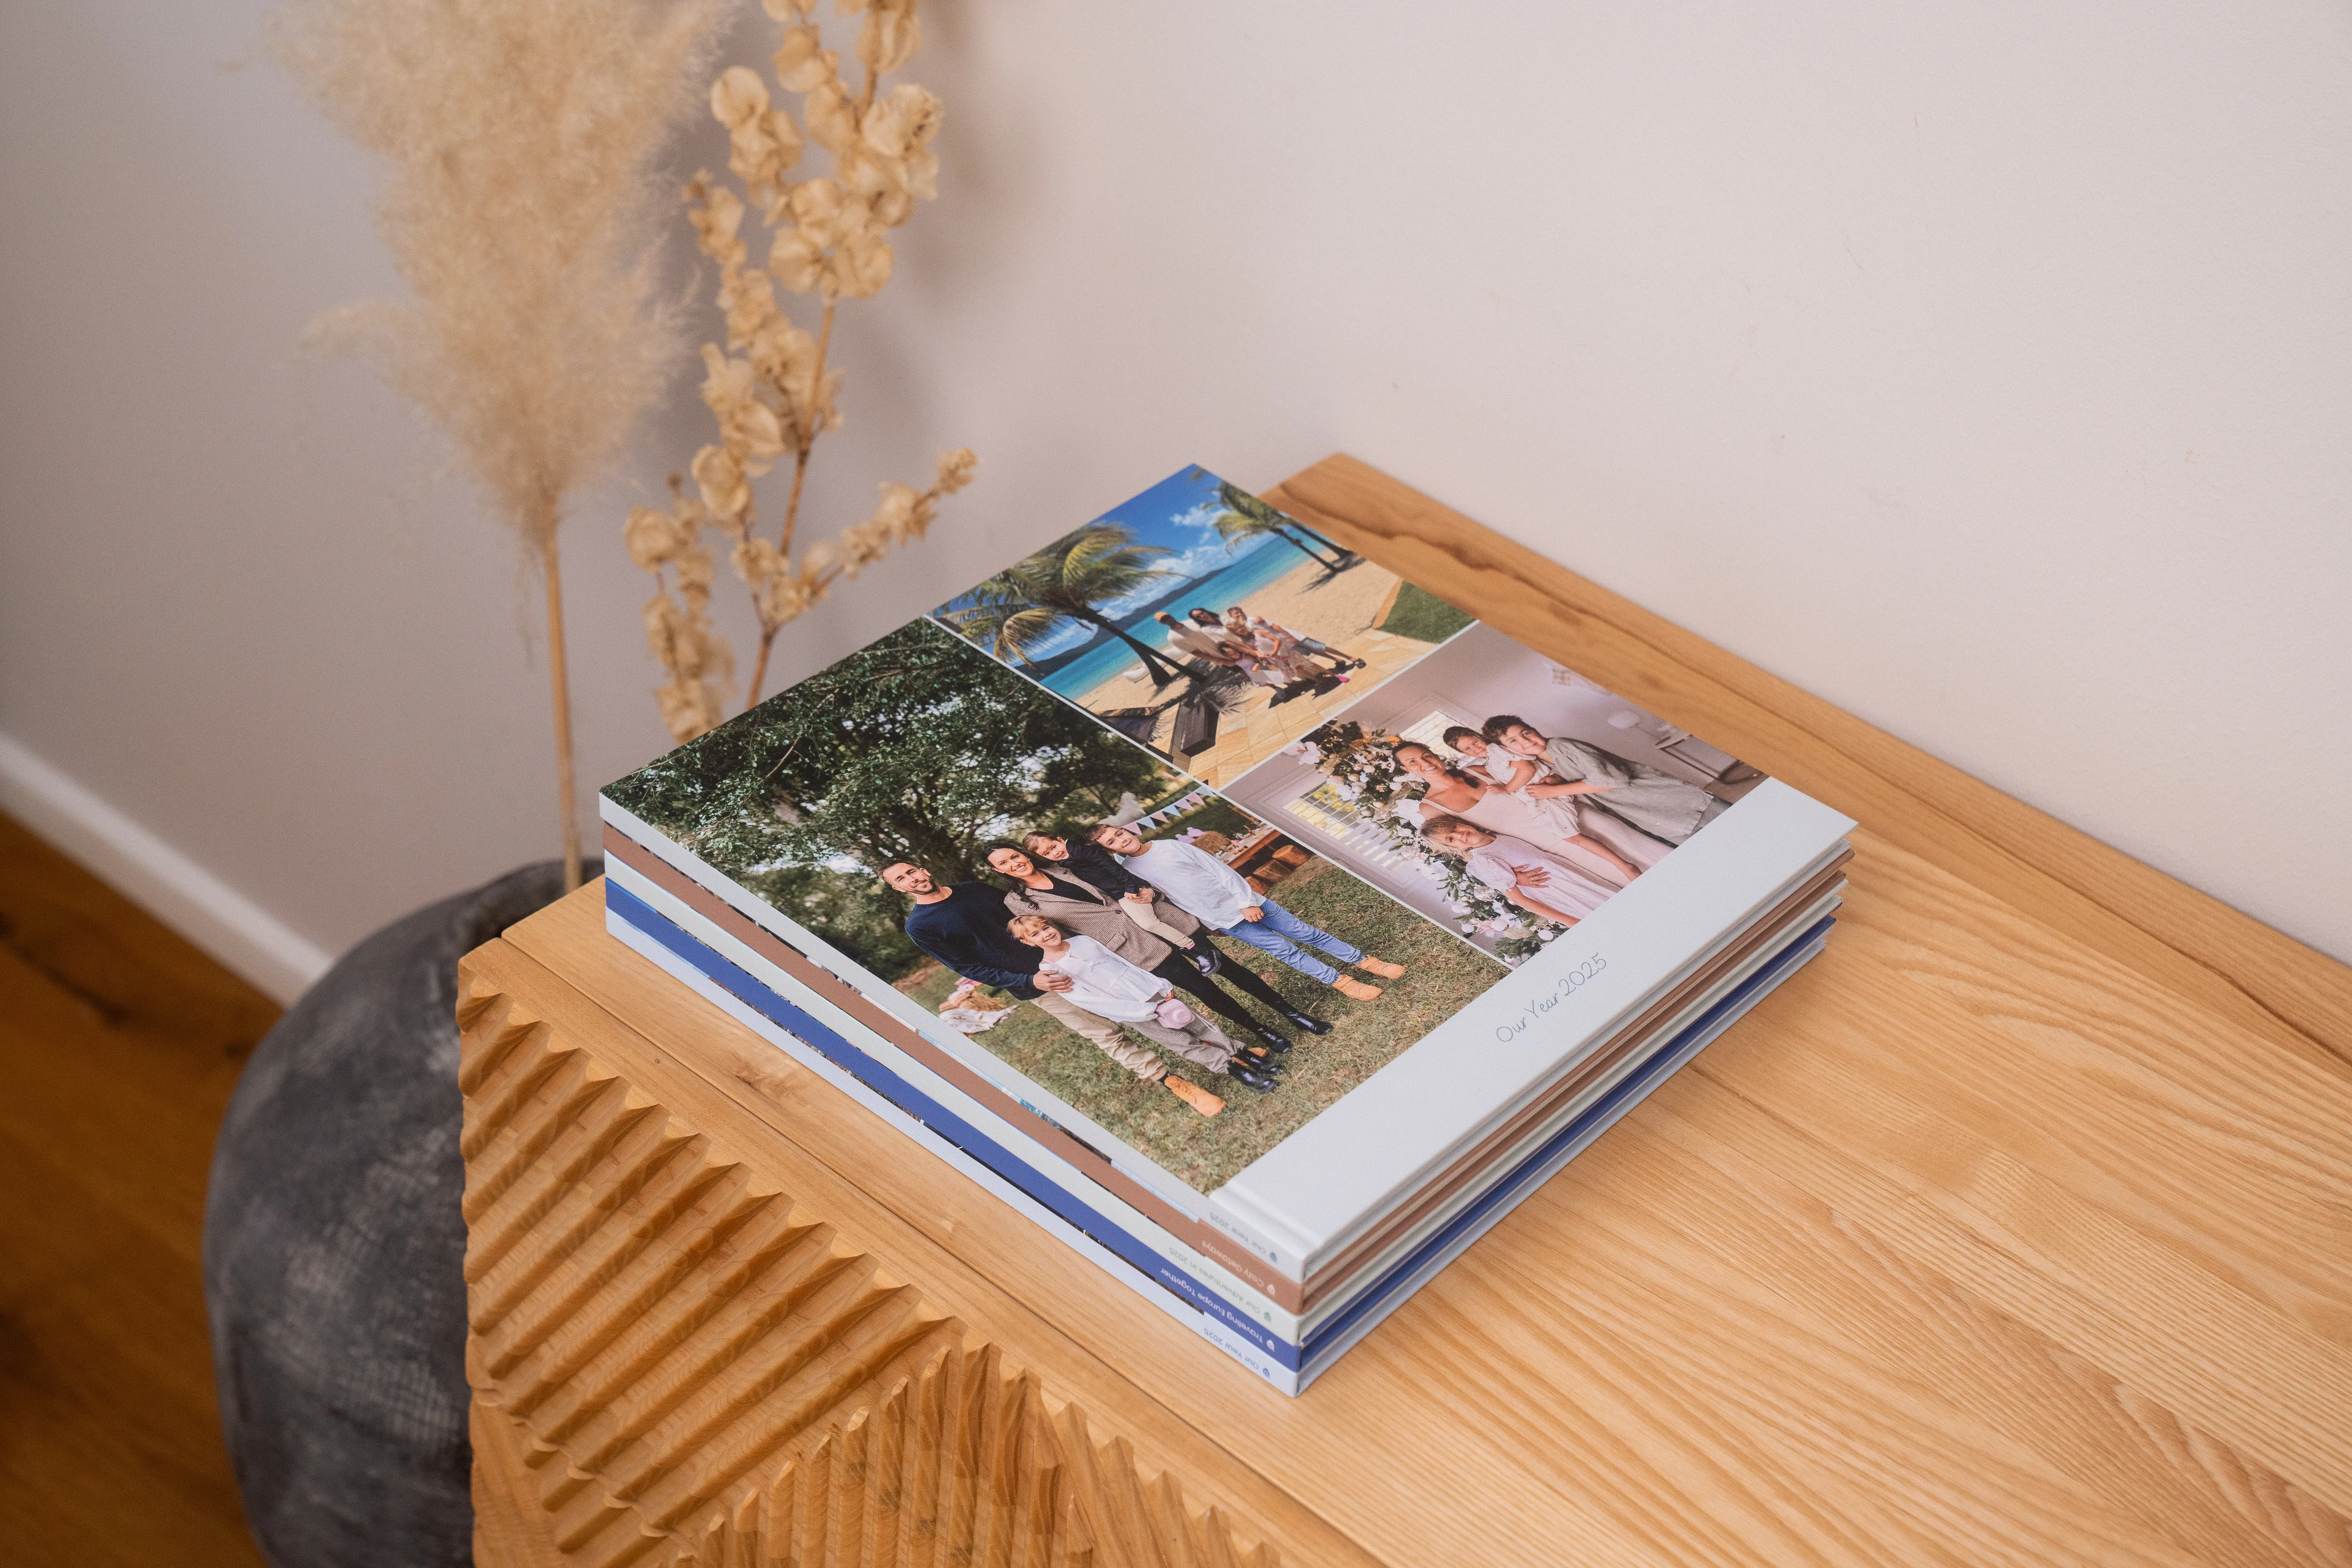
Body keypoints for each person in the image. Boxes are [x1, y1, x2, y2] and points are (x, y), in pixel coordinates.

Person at [982, 843, 1329, 1050]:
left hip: (1157, 918)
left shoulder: (1067, 866)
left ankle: (1293, 1014)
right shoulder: (1019, 901)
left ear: (1023, 854)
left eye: (1015, 856)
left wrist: (1149, 892)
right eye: (1004, 864)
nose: (1015, 864)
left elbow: (1121, 881)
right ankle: (1263, 1031)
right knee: (1204, 989)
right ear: (997, 871)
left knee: (1233, 970)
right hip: (1129, 945)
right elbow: (1047, 933)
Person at [1086, 823, 1401, 1000]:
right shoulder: (1128, 871)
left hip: (1248, 903)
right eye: (1112, 842)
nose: (1121, 840)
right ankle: (1343, 982)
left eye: (1119, 833)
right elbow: (1168, 897)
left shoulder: (1170, 846)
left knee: (1307, 934)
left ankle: (1367, 962)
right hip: (1225, 920)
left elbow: (1219, 869)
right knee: (1284, 951)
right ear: (1110, 851)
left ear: (1126, 830)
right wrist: (1209, 923)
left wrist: (1246, 902)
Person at [1007, 915, 1279, 1109]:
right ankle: (1234, 1070)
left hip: (1150, 990)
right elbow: (1089, 1002)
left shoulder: (1083, 942)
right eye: (1035, 935)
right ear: (1028, 943)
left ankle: (1241, 1054)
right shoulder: (1050, 971)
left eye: (1045, 927)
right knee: (1182, 1042)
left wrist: (1160, 986)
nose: (1045, 934)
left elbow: (1121, 962)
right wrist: (1140, 1010)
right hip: (1133, 1010)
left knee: (1200, 1025)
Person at [880, 860, 1132, 1060]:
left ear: (923, 870)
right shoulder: (920, 926)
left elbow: (1026, 913)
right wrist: (1029, 981)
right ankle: (1163, 1077)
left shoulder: (975, 889)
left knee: (1133, 1003)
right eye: (901, 879)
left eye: (911, 872)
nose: (911, 879)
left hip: (1067, 957)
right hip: (1037, 984)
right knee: (1105, 1032)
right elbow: (966, 967)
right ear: (898, 888)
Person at [1394, 742, 1641, 887]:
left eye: (1426, 755)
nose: (1424, 763)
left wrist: (1553, 780)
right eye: (1413, 762)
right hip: (1544, 844)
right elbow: (1465, 846)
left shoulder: (1478, 770)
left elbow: (1535, 772)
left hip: (1572, 817)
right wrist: (1510, 877)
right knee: (1617, 878)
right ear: (1407, 770)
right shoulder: (1431, 807)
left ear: (1435, 755)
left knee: (1636, 849)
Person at [1483, 714, 1724, 851]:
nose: (1526, 741)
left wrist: (1553, 791)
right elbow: (1576, 776)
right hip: (1649, 812)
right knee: (1710, 850)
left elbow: (1610, 779)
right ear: (1508, 750)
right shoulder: (1546, 761)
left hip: (1668, 798)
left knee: (1737, 829)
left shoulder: (1563, 745)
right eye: (1515, 742)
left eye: (1526, 732)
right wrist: (1555, 780)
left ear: (1533, 728)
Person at [1020, 829, 1200, 955]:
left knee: (1148, 924)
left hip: (1126, 891)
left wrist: (1131, 888)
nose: (1055, 853)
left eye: (1053, 847)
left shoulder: (1084, 852)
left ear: (1059, 840)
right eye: (1047, 854)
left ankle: (1191, 946)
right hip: (1116, 896)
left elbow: (1114, 868)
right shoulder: (1065, 862)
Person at [1417, 815, 1615, 928]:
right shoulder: (1482, 862)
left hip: (1574, 877)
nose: (1459, 835)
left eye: (1454, 828)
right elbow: (1522, 901)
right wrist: (1573, 922)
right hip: (1561, 892)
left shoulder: (1498, 835)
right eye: (1451, 839)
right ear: (1453, 848)